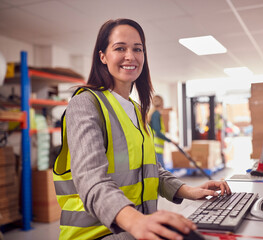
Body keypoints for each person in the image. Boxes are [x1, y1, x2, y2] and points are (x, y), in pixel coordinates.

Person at [53, 18, 231, 240]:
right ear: (103, 56)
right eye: (120, 48)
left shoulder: (137, 110)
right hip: (96, 233)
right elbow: (91, 179)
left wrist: (189, 191)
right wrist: (137, 221)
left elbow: (151, 170)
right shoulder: (85, 104)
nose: (131, 56)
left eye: (138, 49)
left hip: (134, 228)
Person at [149, 95, 174, 169]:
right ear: (162, 103)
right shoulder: (156, 115)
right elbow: (158, 132)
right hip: (156, 150)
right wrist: (170, 140)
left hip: (155, 149)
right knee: (162, 173)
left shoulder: (153, 114)